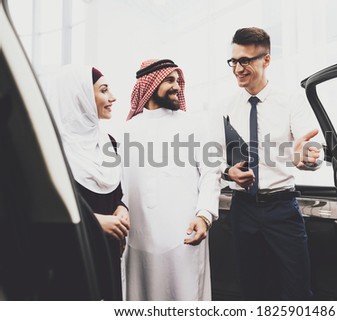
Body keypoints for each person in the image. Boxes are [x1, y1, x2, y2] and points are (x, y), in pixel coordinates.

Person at [220, 27, 321, 300]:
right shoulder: (227, 107)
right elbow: (216, 159)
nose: (238, 69)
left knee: (297, 289)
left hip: (282, 208)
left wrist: (307, 159)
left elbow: (310, 149)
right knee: (251, 290)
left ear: (266, 60)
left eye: (246, 61)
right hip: (242, 209)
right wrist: (228, 173)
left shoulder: (290, 101)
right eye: (234, 61)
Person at [122, 59, 221, 300]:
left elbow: (211, 172)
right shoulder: (127, 130)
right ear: (150, 85)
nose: (177, 86)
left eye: (178, 80)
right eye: (169, 80)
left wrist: (204, 215)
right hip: (138, 238)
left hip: (184, 236)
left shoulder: (194, 124)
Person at [46, 65, 130, 300]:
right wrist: (93, 222)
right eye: (104, 90)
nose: (113, 97)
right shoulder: (52, 149)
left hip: (109, 254)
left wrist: (123, 208)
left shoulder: (109, 143)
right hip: (72, 257)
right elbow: (45, 212)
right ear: (79, 97)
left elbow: (117, 193)